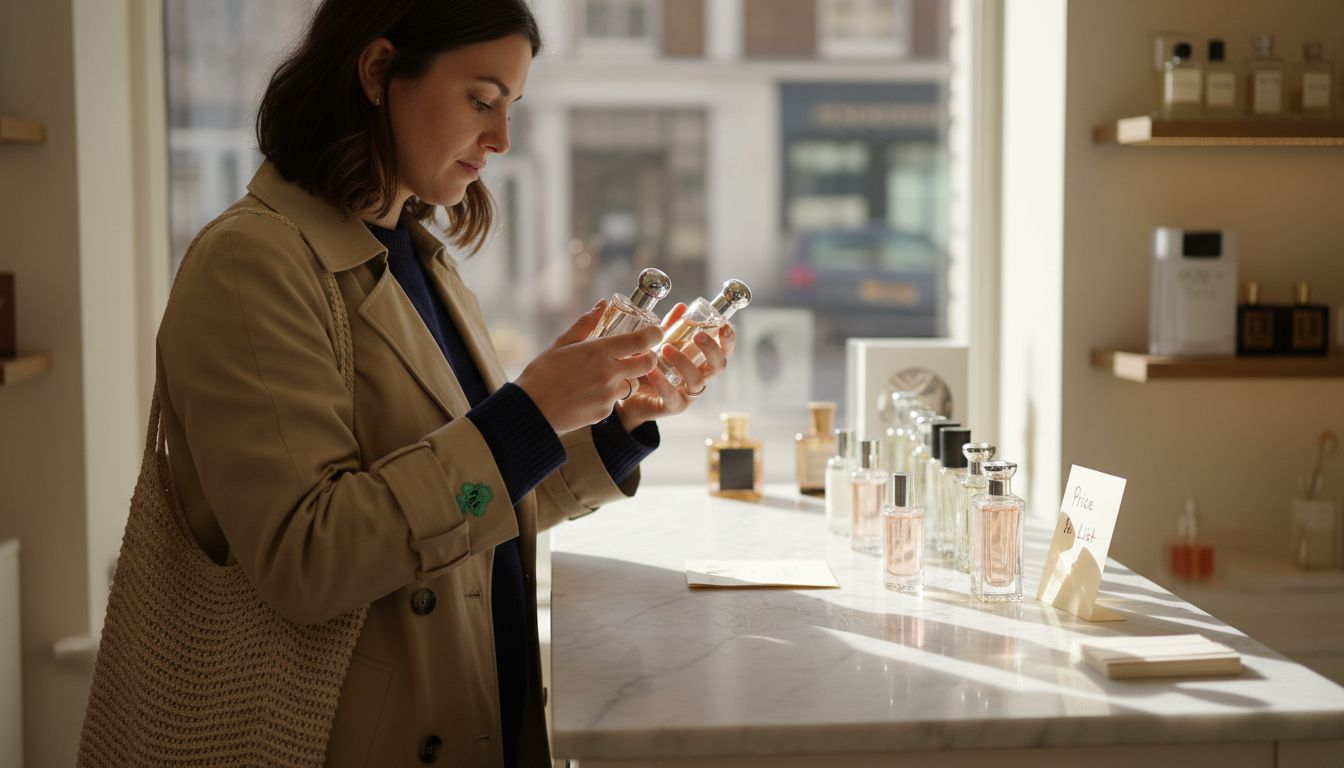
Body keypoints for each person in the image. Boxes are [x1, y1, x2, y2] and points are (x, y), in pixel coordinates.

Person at [146, 1, 731, 765]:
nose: (502, 139)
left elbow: (477, 507)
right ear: (380, 71)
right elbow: (308, 558)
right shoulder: (250, 264)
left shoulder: (422, 259)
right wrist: (528, 413)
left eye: (511, 107)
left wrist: (616, 426)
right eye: (481, 100)